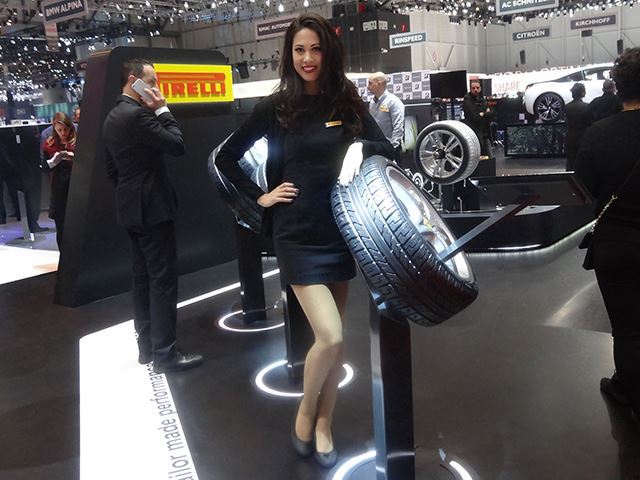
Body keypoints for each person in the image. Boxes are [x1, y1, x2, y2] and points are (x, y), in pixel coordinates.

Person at [215, 13, 393, 468]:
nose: (307, 58)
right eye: (299, 50)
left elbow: (387, 147)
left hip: (338, 231)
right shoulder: (276, 106)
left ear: (327, 52)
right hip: (295, 233)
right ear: (289, 55)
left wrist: (361, 147)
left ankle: (325, 424)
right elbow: (226, 157)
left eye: (315, 49)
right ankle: (305, 413)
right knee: (330, 336)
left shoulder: (345, 99)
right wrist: (261, 197)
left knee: (335, 342)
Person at [102, 59, 203, 374]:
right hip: (153, 209)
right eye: (152, 81)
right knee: (162, 282)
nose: (156, 88)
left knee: (142, 279)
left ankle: (148, 349)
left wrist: (132, 194)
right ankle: (165, 354)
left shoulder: (112, 116)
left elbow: (112, 170)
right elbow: (177, 144)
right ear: (134, 80)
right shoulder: (138, 115)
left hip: (130, 208)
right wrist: (162, 109)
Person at [575, 47, 640, 418]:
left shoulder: (599, 133)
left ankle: (627, 391)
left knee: (628, 330)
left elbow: (583, 188)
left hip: (615, 244)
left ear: (617, 87)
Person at [41, 112, 76, 250]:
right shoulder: (49, 144)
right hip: (58, 190)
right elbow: (44, 167)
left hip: (76, 188)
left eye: (65, 129)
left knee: (77, 224)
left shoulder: (78, 141)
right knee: (61, 227)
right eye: (59, 130)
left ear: (70, 127)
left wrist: (73, 157)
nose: (63, 133)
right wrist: (53, 161)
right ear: (54, 129)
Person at [367, 72, 405, 162]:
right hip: (377, 148)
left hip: (391, 148)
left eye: (370, 83)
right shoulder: (372, 103)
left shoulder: (393, 102)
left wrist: (392, 148)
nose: (368, 87)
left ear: (379, 84)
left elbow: (398, 128)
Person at [462, 80, 493, 159]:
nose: (475, 90)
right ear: (470, 88)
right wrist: (485, 113)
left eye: (477, 88)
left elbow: (492, 113)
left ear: (480, 88)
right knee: (477, 158)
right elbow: (475, 117)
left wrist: (483, 114)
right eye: (473, 88)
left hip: (485, 133)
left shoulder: (482, 99)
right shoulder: (467, 100)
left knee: (489, 158)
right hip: (473, 134)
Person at [564, 82, 591, 171]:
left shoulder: (567, 107)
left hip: (570, 137)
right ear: (582, 93)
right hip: (583, 137)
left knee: (570, 162)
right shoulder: (586, 106)